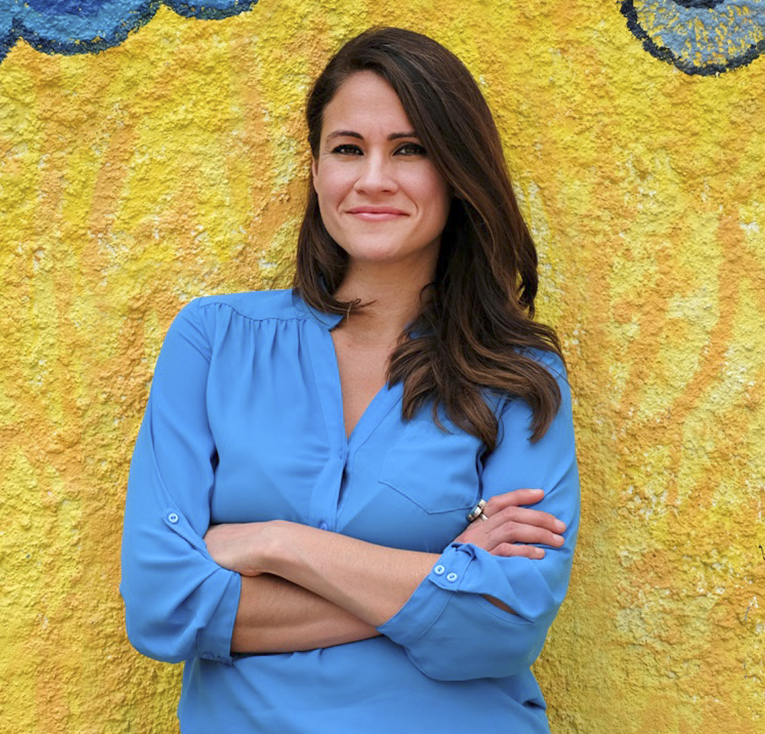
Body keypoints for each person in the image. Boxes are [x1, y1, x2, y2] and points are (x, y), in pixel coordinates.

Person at [120, 27, 580, 733]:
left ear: (456, 171)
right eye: (347, 149)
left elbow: (503, 626)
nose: (373, 179)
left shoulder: (517, 376)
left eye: (410, 149)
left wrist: (276, 543)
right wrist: (443, 575)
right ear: (315, 172)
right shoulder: (213, 342)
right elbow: (161, 603)